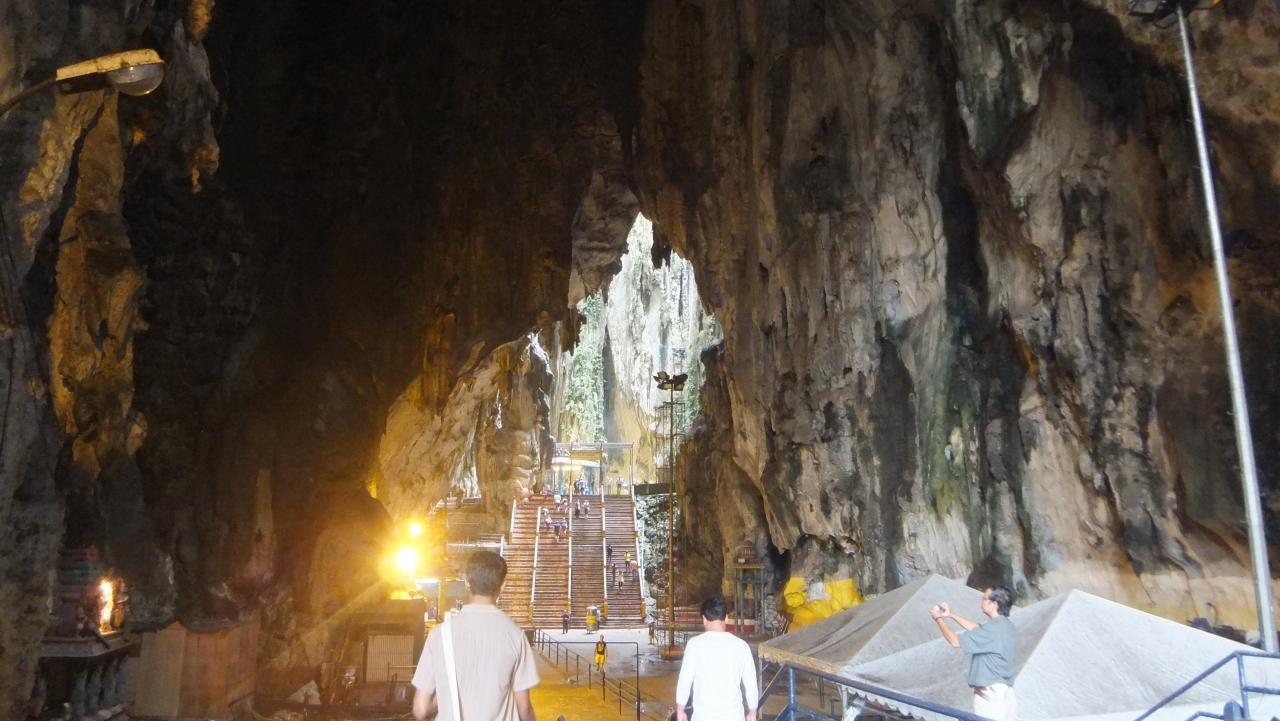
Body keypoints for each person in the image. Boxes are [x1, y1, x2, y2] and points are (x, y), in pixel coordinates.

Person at [411, 550, 538, 721]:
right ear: (503, 585)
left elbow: (421, 708)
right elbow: (524, 708)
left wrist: (447, 693)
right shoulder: (515, 636)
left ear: (467, 583)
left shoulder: (439, 635)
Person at [931, 585, 1017, 721]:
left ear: (994, 604)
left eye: (984, 598)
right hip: (1005, 695)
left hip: (991, 698)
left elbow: (954, 641)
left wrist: (938, 619)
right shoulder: (1006, 626)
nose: (982, 601)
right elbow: (978, 629)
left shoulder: (992, 630)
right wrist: (950, 615)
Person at [674, 597, 758, 721]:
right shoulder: (741, 646)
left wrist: (680, 710)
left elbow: (685, 680)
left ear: (704, 619)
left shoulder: (694, 645)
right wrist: (752, 712)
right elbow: (751, 683)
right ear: (727, 618)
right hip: (733, 716)